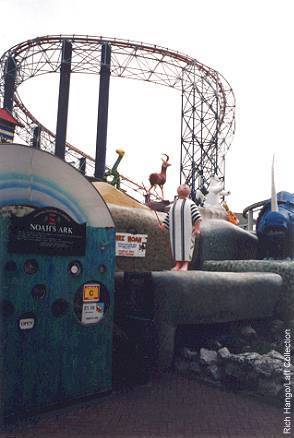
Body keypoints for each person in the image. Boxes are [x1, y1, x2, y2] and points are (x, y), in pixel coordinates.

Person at [160, 184, 201, 271]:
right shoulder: (173, 205)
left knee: (187, 247)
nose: (183, 188)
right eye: (181, 187)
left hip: (187, 231)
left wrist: (197, 228)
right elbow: (168, 217)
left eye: (185, 187)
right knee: (176, 247)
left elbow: (197, 217)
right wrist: (164, 225)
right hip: (175, 231)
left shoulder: (191, 203)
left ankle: (185, 265)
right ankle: (178, 264)